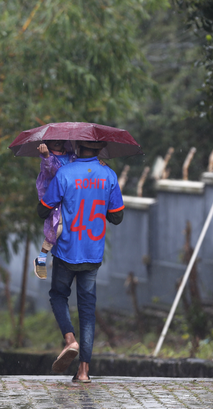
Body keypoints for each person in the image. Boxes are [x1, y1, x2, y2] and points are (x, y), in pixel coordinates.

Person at [37, 140, 124, 383]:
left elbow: (43, 210)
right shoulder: (109, 174)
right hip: (93, 253)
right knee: (87, 310)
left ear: (77, 147)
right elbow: (117, 217)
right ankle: (84, 372)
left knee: (58, 295)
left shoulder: (65, 173)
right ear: (100, 148)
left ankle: (69, 339)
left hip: (66, 251)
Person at [33, 140, 76, 279]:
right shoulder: (47, 158)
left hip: (72, 198)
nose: (57, 141)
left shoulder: (72, 155)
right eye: (52, 140)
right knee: (57, 228)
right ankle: (41, 257)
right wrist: (46, 156)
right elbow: (52, 172)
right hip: (56, 199)